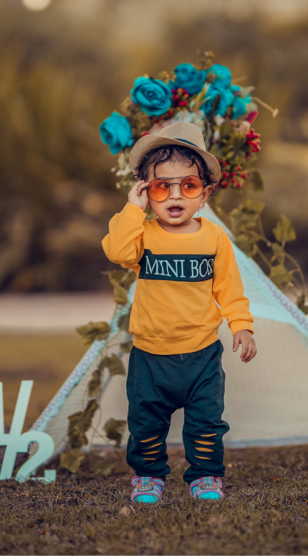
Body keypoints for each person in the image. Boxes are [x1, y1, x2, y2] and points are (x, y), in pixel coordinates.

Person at [102, 121, 257, 505]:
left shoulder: (214, 238)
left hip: (201, 354)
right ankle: (148, 476)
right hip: (150, 356)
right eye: (161, 187)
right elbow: (117, 252)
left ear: (204, 194)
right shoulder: (143, 234)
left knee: (206, 422)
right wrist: (132, 209)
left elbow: (229, 289)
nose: (175, 195)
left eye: (187, 186)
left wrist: (242, 326)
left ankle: (204, 475)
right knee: (145, 423)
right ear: (146, 192)